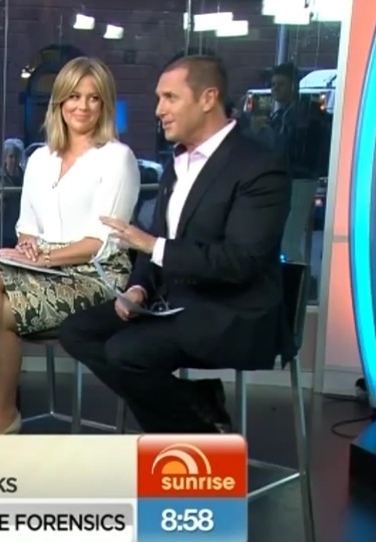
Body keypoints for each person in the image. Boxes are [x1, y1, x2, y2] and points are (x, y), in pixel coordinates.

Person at [57, 55, 293, 434]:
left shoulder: (260, 166)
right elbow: (156, 243)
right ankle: (193, 403)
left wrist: (152, 246)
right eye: (158, 99)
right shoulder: (177, 163)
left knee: (127, 353)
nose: (159, 110)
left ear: (208, 98)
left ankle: (195, 444)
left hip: (233, 312)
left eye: (170, 98)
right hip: (174, 301)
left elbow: (241, 260)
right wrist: (137, 288)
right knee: (77, 331)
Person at [0, 57, 140, 435]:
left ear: (105, 104)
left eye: (93, 98)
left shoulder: (117, 158)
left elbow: (100, 242)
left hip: (96, 276)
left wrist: (45, 257)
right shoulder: (39, 159)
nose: (82, 106)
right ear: (59, 101)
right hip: (45, 270)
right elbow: (28, 229)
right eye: (73, 96)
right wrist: (27, 250)